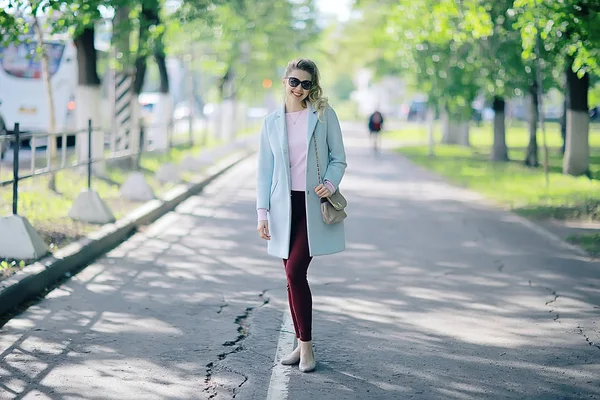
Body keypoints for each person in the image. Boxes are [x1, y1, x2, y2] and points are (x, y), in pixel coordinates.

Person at [255, 58, 347, 373]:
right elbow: (264, 172)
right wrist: (261, 213)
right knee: (290, 277)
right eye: (294, 81)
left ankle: (306, 348)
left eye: (306, 83)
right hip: (282, 208)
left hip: (310, 205)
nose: (299, 88)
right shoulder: (270, 122)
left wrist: (330, 183)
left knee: (295, 272)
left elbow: (339, 158)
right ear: (285, 81)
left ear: (313, 87)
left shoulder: (323, 116)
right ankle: (299, 343)